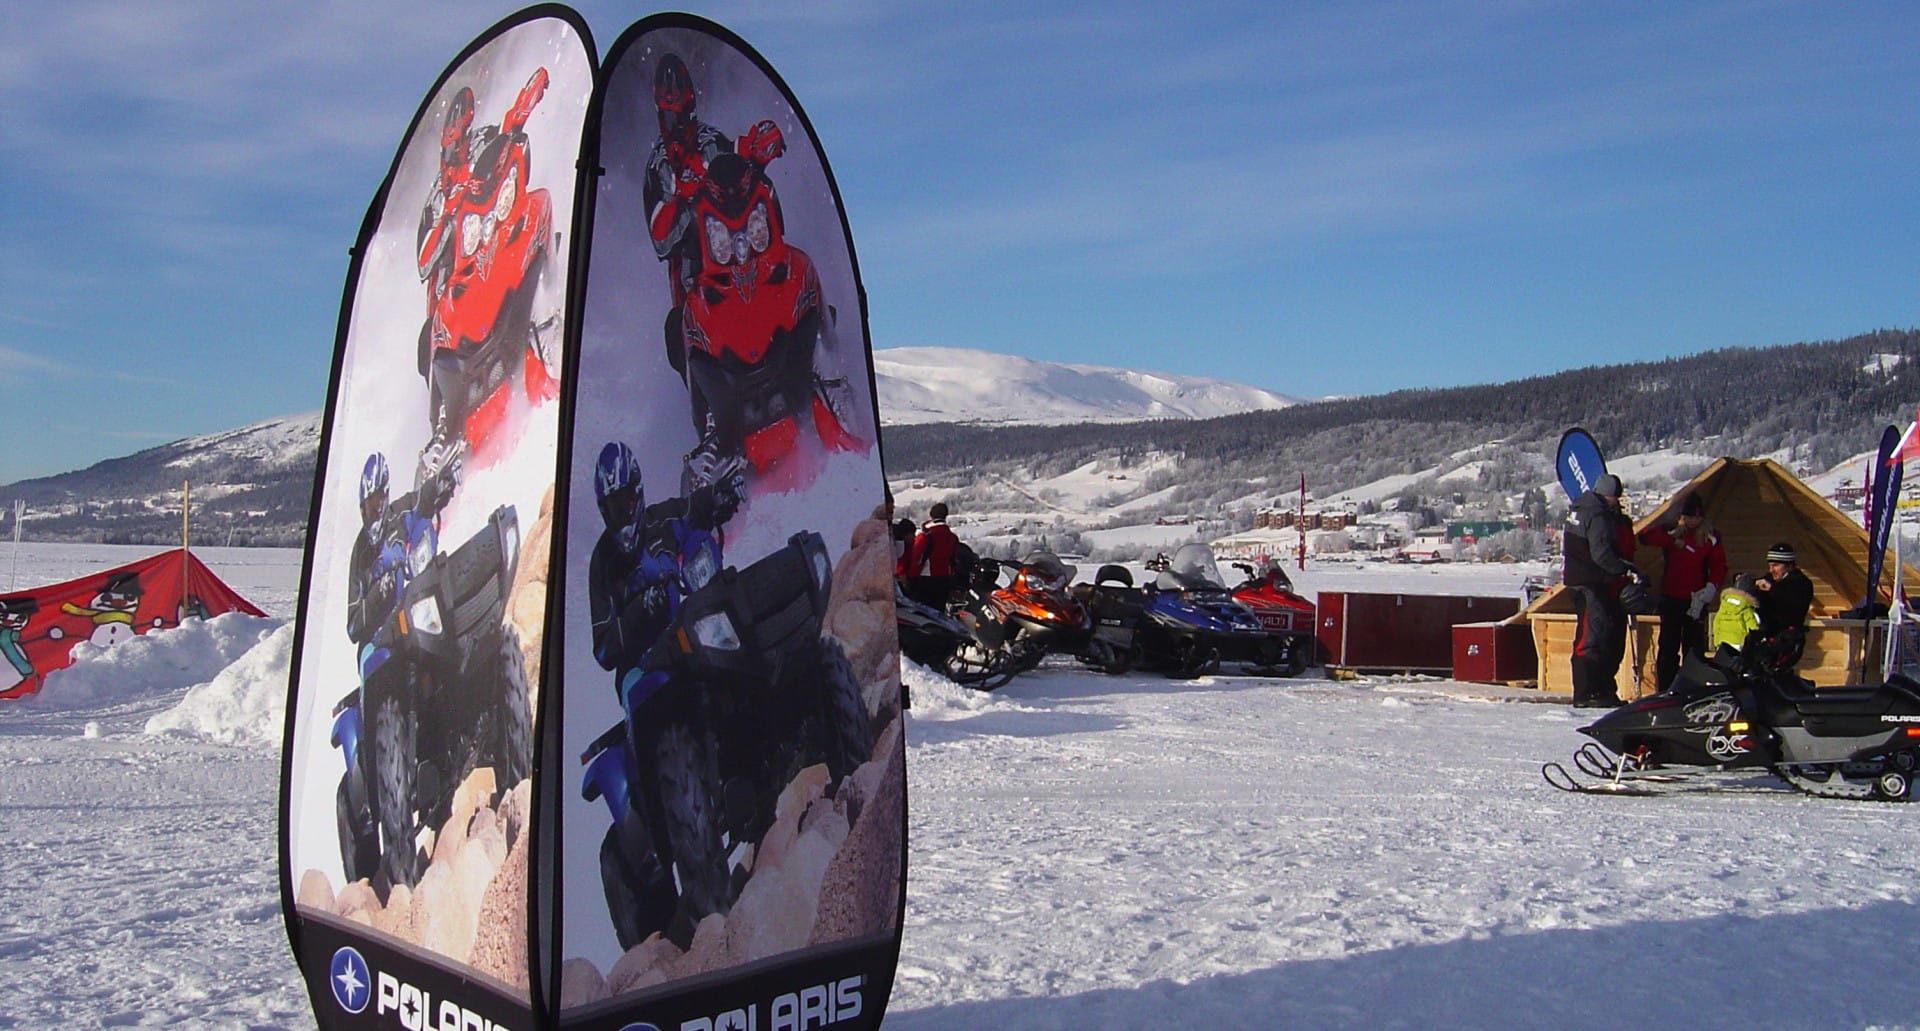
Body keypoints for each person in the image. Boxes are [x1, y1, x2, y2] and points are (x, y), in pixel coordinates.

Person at [1562, 473, 1645, 708]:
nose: (1616, 502)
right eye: (1615, 497)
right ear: (1609, 495)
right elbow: (1601, 554)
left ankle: (1591, 691)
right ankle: (1587, 693)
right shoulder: (1597, 515)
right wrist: (1624, 569)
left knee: (1592, 637)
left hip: (1579, 581)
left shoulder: (1578, 510)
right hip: (1592, 583)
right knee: (1592, 638)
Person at [1636, 493, 1727, 691]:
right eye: (1688, 517)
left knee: (1693, 649)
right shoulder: (1673, 532)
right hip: (1671, 599)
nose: (1691, 521)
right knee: (1668, 648)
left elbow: (1719, 566)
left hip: (1696, 601)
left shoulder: (1710, 537)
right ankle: (1666, 689)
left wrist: (1710, 588)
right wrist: (1671, 539)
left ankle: (1693, 689)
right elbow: (1645, 537)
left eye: (1695, 517)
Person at [1753, 541, 1813, 663]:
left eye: (1775, 565)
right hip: (1767, 637)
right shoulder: (1769, 579)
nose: (1771, 570)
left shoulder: (1801, 583)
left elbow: (1795, 605)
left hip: (1788, 638)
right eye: (1770, 566)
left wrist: (1772, 589)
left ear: (1789, 566)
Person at [906, 502, 961, 609]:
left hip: (926, 580)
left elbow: (917, 559)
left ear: (931, 517)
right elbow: (954, 559)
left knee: (923, 612)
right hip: (945, 579)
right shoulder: (952, 537)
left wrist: (911, 579)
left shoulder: (925, 536)